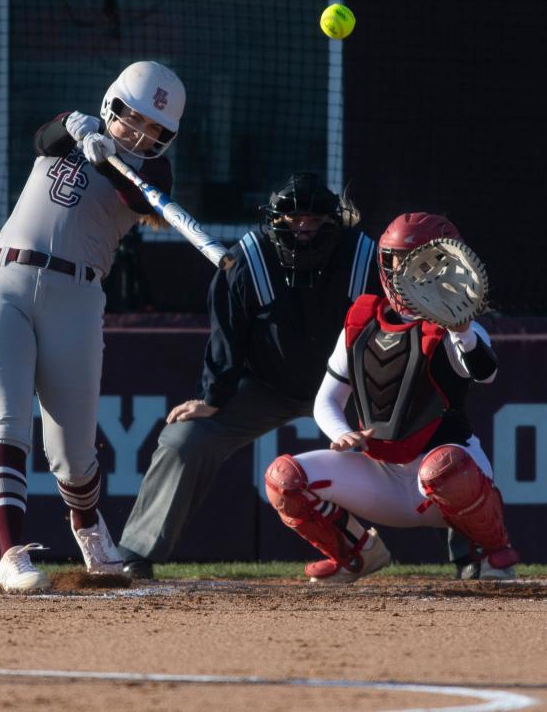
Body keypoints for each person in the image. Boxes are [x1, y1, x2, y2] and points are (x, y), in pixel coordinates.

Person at [0, 60, 182, 593]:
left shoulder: (154, 173)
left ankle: (87, 527)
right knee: (8, 423)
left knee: (73, 453)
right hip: (5, 282)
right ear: (114, 104)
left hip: (77, 296)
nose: (140, 133)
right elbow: (47, 132)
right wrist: (81, 129)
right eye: (133, 118)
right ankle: (11, 554)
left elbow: (143, 200)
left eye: (154, 129)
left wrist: (113, 161)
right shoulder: (69, 133)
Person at [117, 172, 378, 579]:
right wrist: (213, 396)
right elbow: (226, 334)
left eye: (312, 220)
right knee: (184, 439)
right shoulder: (247, 259)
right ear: (275, 221)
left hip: (353, 389)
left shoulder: (366, 258)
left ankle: (476, 553)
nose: (303, 230)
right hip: (268, 386)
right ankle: (136, 553)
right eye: (293, 221)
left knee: (426, 440)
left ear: (334, 223)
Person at [263, 212, 519, 583]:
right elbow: (326, 401)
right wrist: (341, 433)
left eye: (413, 261)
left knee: (444, 468)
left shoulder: (459, 326)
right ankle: (356, 554)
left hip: (444, 479)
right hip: (380, 472)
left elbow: (486, 373)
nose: (401, 271)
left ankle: (493, 553)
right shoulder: (362, 319)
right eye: (394, 259)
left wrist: (461, 329)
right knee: (284, 477)